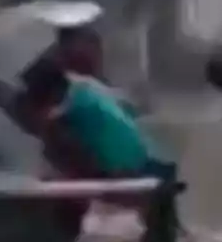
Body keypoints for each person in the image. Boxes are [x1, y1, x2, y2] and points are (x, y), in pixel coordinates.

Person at [22, 55, 163, 178]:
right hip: (143, 156)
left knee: (55, 136)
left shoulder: (78, 108)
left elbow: (58, 143)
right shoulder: (85, 86)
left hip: (125, 170)